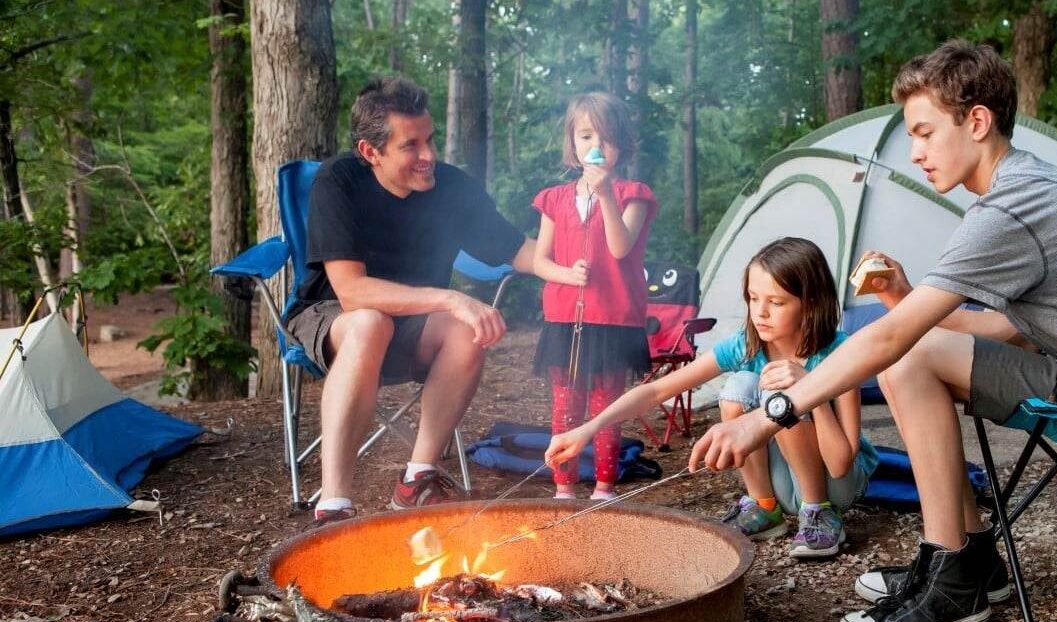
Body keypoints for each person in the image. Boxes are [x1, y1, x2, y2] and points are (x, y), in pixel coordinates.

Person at [687, 40, 1057, 622]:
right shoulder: (1028, 186)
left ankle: (952, 573)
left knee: (908, 356)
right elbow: (999, 331)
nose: (916, 152)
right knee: (916, 354)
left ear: (976, 121)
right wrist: (904, 295)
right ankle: (971, 557)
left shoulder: (1013, 206)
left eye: (925, 132)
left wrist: (772, 415)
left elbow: (902, 339)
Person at [284, 77, 536, 523]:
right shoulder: (338, 181)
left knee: (466, 329)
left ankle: (416, 480)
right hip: (336, 320)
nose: (429, 157)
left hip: (415, 327)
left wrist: (585, 265)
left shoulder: (452, 188)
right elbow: (352, 291)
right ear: (370, 152)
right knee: (370, 323)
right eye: (411, 146)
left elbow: (521, 250)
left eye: (431, 139)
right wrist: (450, 297)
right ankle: (334, 504)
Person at [546, 237, 878, 555]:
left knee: (781, 389)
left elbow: (839, 465)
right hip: (786, 479)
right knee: (741, 386)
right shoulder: (747, 345)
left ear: (812, 303)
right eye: (753, 297)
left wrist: (810, 390)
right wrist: (588, 429)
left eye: (776, 302)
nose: (760, 312)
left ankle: (817, 514)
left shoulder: (839, 353)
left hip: (837, 487)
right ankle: (764, 507)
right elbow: (658, 390)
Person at [529, 92, 658, 501]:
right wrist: (567, 274)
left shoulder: (633, 194)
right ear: (572, 142)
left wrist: (604, 194)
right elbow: (539, 261)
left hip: (615, 317)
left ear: (621, 145)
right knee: (566, 403)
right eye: (586, 136)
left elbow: (621, 248)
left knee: (606, 406)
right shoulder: (554, 198)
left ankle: (604, 488)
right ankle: (563, 487)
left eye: (606, 139)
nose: (596, 148)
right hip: (565, 317)